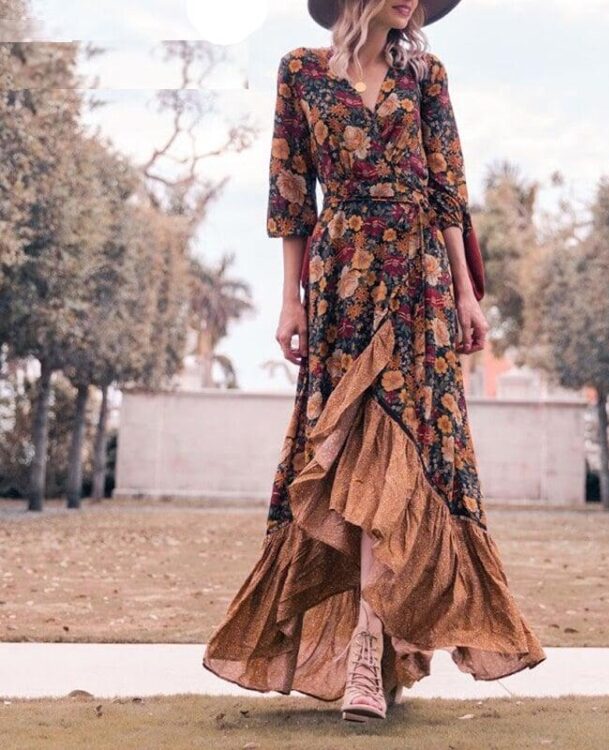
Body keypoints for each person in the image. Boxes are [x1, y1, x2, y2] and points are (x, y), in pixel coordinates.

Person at [203, 0, 546, 722]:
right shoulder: (300, 73)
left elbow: (448, 193)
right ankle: (371, 649)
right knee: (346, 457)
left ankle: (368, 649)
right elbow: (291, 195)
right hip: (341, 280)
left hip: (418, 279)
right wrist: (290, 301)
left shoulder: (426, 74)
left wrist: (465, 294)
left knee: (408, 456)